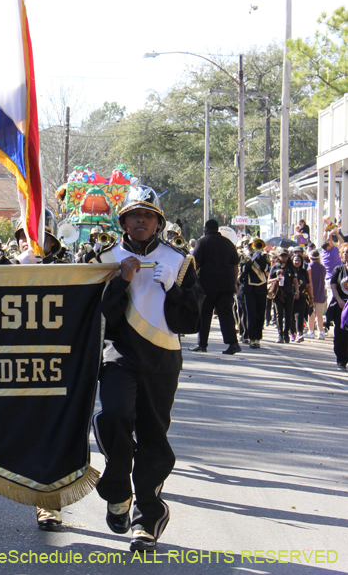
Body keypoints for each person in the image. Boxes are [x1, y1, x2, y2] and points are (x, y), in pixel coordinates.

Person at [93, 186, 200, 553]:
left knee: (154, 438)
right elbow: (97, 314)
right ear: (123, 221)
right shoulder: (105, 256)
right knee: (115, 416)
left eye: (149, 216)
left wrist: (174, 291)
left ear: (158, 223)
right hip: (118, 355)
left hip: (162, 360)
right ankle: (118, 489)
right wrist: (120, 281)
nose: (141, 221)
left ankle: (147, 518)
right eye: (134, 215)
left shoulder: (180, 260)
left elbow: (192, 322)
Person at [191, 219, 240, 355]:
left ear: (206, 229)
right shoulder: (229, 243)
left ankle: (202, 344)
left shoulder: (203, 242)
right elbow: (235, 266)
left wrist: (192, 282)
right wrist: (234, 283)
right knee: (226, 314)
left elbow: (196, 264)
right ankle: (233, 343)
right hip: (226, 285)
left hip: (207, 285)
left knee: (205, 314)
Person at [238, 239, 268, 349]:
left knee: (260, 314)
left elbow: (265, 268)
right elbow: (242, 269)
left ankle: (258, 338)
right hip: (249, 288)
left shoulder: (265, 257)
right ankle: (251, 337)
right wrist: (251, 259)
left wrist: (260, 258)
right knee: (251, 314)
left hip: (261, 288)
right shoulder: (246, 257)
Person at [270, 248, 299, 343]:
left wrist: (297, 291)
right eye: (282, 256)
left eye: (286, 256)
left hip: (289, 292)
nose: (284, 258)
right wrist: (276, 279)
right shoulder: (275, 267)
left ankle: (286, 333)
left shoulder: (291, 267)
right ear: (279, 257)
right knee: (279, 313)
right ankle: (280, 334)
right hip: (278, 292)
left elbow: (295, 281)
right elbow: (268, 280)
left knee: (288, 314)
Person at [291, 252, 311, 341]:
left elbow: (308, 285)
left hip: (302, 296)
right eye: (295, 260)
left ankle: (299, 333)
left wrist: (311, 297)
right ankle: (292, 333)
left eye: (299, 261)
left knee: (300, 315)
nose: (297, 262)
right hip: (290, 296)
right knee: (291, 315)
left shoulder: (304, 272)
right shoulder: (290, 271)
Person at [309, 249, 328, 339]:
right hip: (320, 292)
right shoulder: (322, 267)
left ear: (310, 257)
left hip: (311, 293)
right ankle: (321, 332)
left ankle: (311, 331)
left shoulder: (309, 267)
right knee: (319, 314)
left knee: (311, 313)